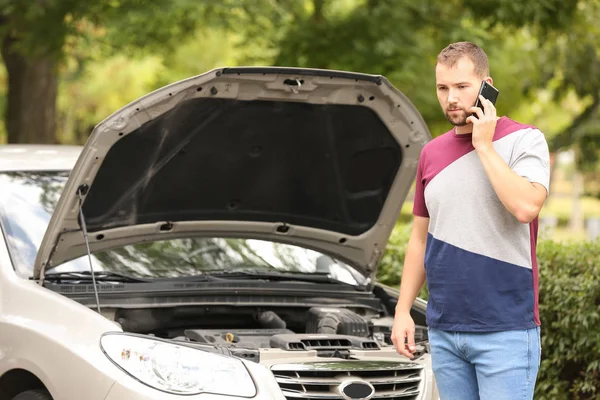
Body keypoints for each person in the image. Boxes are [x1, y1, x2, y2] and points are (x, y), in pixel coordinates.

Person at [391, 41, 550, 400]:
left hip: (505, 331)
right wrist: (403, 310)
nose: (451, 98)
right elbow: (420, 239)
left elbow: (526, 207)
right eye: (443, 88)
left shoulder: (525, 139)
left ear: (486, 84)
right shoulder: (431, 153)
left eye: (462, 87)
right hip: (445, 332)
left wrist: (484, 146)